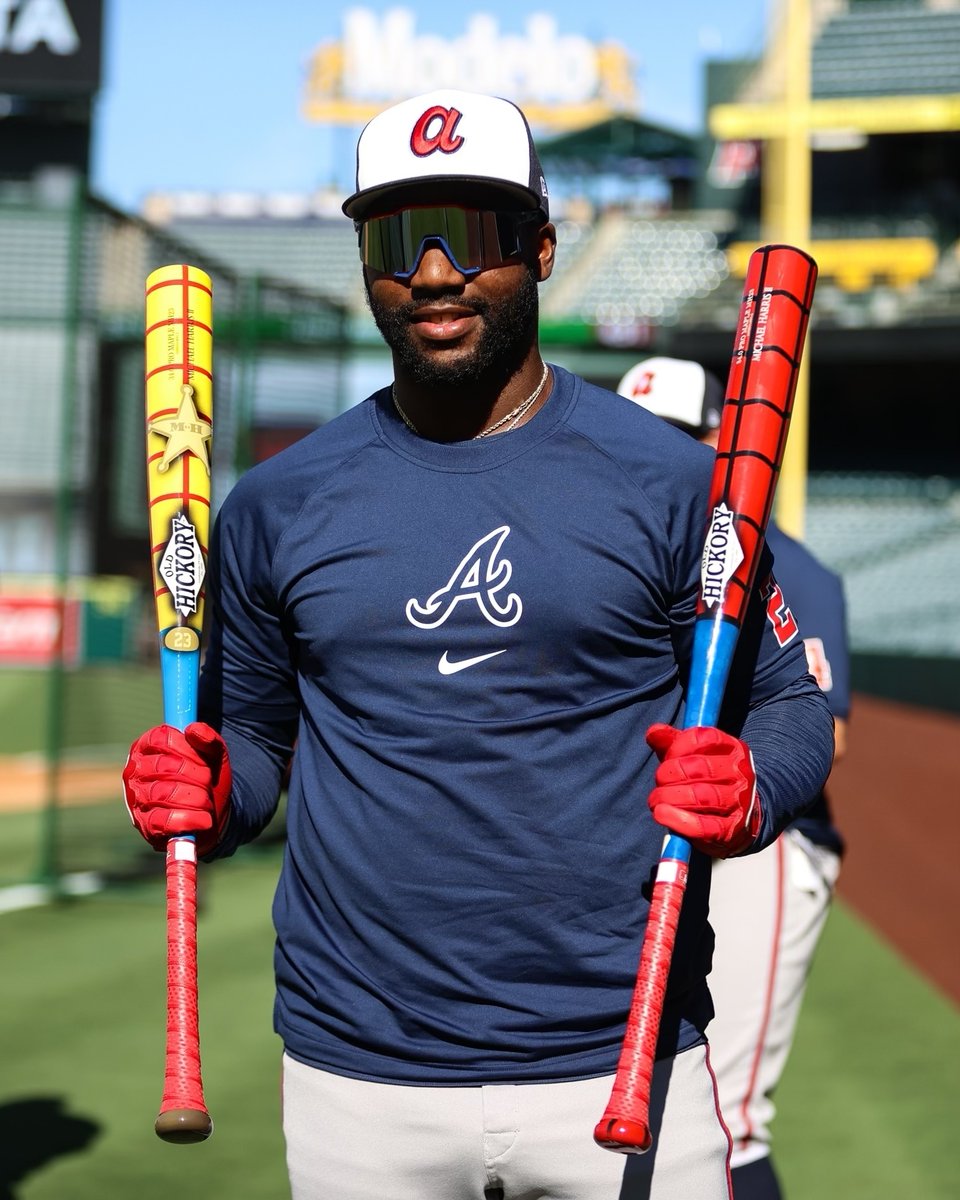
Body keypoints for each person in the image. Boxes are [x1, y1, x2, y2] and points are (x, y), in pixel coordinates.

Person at [122, 90, 834, 1200]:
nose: (439, 271)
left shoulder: (670, 482)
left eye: (480, 233)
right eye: (402, 239)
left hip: (624, 1053)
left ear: (542, 249)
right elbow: (258, 742)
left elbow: (788, 706)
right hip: (357, 1073)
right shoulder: (275, 506)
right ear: (367, 260)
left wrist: (748, 790)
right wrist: (208, 791)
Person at [617, 356, 850, 1200]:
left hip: (763, 848)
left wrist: (727, 768)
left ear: (724, 440)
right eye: (639, 436)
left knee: (728, 1115)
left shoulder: (793, 570)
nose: (655, 457)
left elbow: (829, 731)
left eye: (676, 438)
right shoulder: (615, 554)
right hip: (650, 838)